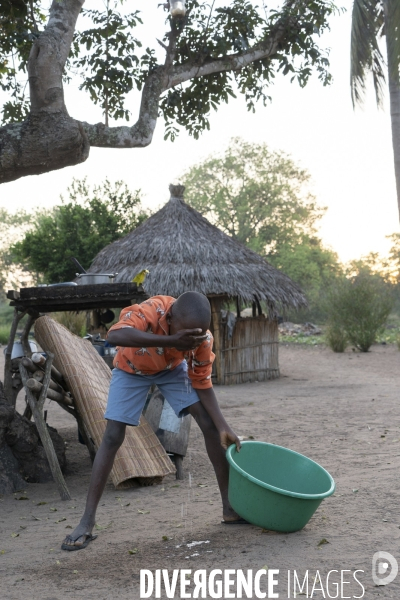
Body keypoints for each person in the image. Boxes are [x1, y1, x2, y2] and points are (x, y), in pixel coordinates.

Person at [62, 291, 245, 551]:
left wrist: (224, 426)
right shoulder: (151, 311)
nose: (192, 343)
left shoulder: (200, 338)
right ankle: (87, 522)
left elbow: (202, 382)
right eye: (186, 337)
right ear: (169, 318)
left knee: (208, 422)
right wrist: (171, 341)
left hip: (171, 371)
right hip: (130, 370)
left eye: (197, 337)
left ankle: (229, 508)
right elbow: (114, 335)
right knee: (113, 435)